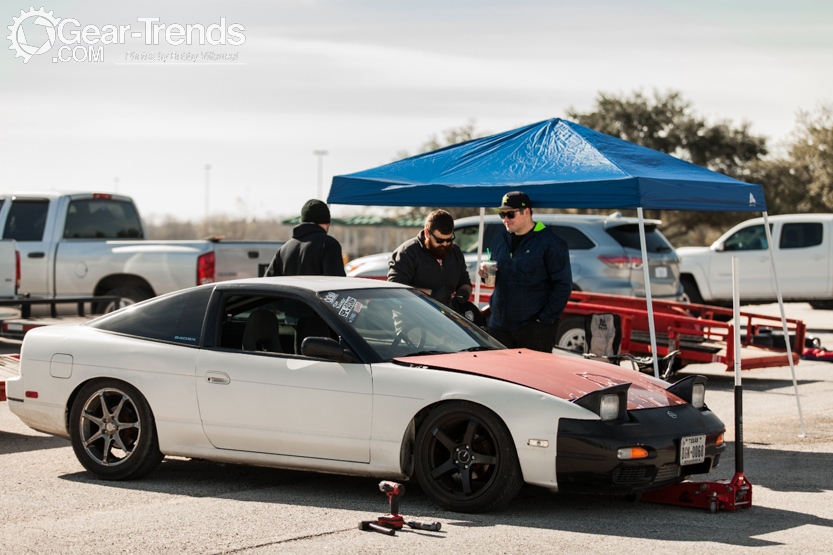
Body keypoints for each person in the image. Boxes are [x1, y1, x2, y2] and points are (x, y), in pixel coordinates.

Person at [478, 191, 571, 352]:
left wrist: (544, 319)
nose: (505, 219)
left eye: (510, 214)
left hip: (533, 329)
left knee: (531, 376)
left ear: (526, 212)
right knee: (498, 376)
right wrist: (485, 275)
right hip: (499, 325)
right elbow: (495, 278)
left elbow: (563, 285)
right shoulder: (500, 239)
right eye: (502, 214)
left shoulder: (550, 242)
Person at [388, 210, 472, 309]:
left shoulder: (455, 251)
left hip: (446, 319)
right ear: (427, 233)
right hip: (412, 319)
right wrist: (431, 294)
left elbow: (465, 282)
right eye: (439, 240)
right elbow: (396, 288)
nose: (445, 244)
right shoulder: (407, 252)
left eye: (449, 239)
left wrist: (464, 292)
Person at [265, 199, 346, 277]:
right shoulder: (329, 244)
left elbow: (268, 283)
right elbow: (337, 283)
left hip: (291, 291)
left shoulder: (284, 249)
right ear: (327, 223)